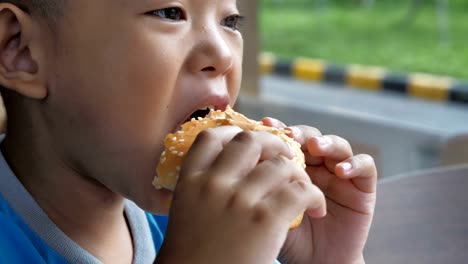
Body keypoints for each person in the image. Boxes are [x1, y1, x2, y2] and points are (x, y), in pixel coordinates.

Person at [0, 0, 377, 263]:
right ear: (20, 49)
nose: (223, 55)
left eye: (230, 22)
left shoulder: (219, 214)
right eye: (170, 13)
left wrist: (330, 259)